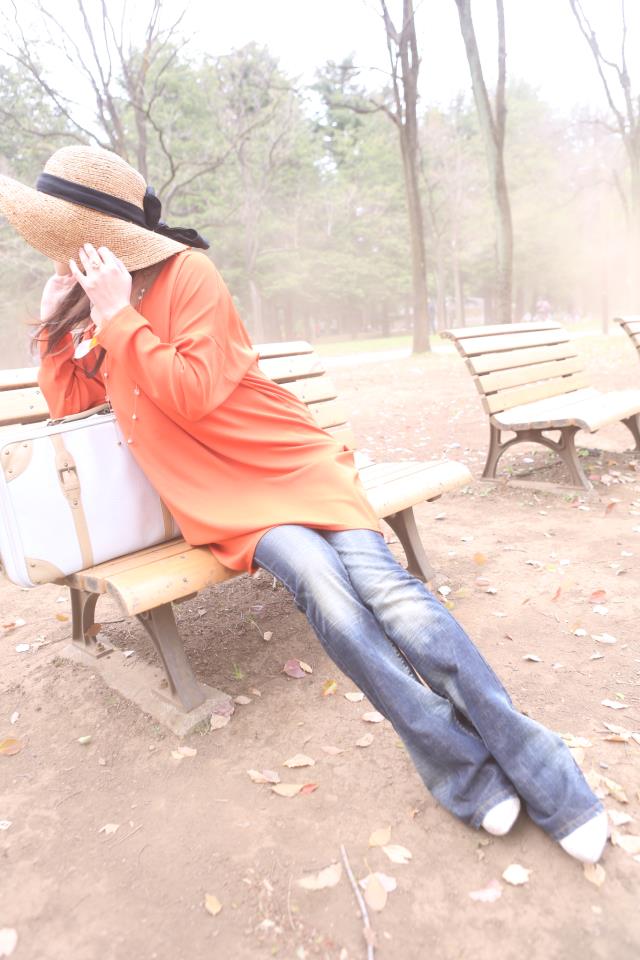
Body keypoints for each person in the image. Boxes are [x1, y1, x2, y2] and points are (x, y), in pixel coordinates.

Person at [0, 145, 608, 864]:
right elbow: (75, 408)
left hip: (288, 461)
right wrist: (56, 329)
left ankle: (541, 766)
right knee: (327, 592)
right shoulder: (94, 303)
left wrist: (117, 317)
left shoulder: (186, 274)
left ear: (105, 232)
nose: (62, 251)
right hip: (219, 500)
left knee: (388, 592)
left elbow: (194, 391)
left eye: (70, 233)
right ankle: (460, 768)